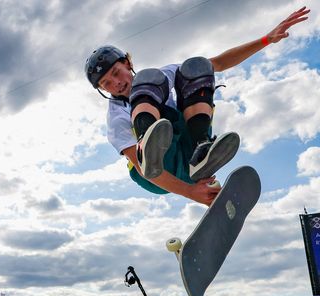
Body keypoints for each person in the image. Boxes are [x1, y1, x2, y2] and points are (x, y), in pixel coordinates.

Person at [85, 7, 310, 206]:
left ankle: (201, 148)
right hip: (156, 173)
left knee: (195, 67)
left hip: (187, 153)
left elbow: (218, 63)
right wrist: (191, 193)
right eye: (107, 84)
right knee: (147, 88)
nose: (116, 83)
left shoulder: (162, 75)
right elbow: (147, 173)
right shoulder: (116, 120)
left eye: (116, 73)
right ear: (103, 90)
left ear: (127, 63)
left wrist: (266, 40)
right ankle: (148, 143)